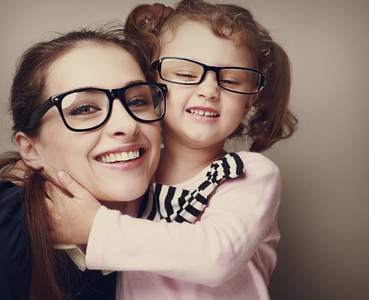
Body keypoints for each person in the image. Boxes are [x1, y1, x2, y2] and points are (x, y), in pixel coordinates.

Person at [49, 0, 298, 299]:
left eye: (230, 80)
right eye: (185, 74)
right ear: (151, 85)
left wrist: (96, 228)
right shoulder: (133, 175)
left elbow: (216, 258)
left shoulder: (250, 175)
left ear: (249, 100)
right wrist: (33, 167)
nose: (209, 91)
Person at [0, 26, 167, 300]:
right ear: (30, 149)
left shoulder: (193, 213)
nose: (127, 125)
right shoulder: (9, 231)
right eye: (84, 109)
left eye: (137, 101)